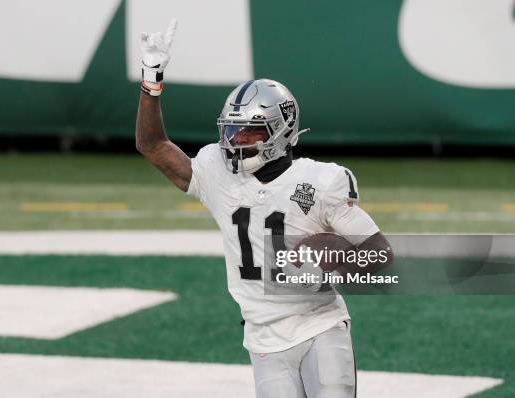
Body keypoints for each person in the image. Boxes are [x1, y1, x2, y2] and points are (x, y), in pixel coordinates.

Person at [135, 20, 393, 398]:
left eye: (248, 132)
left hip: (318, 324)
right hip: (263, 339)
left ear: (282, 130)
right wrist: (151, 81)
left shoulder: (321, 182)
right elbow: (152, 145)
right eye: (230, 131)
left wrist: (334, 259)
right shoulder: (217, 171)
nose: (235, 142)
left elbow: (380, 252)